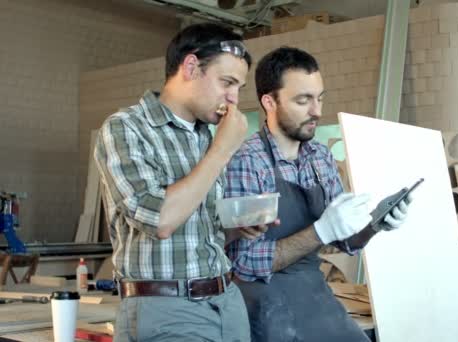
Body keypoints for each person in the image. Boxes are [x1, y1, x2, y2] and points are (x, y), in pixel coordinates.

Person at [224, 47, 411, 342]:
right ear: (269, 101)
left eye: (319, 98)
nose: (317, 111)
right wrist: (321, 230)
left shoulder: (319, 156)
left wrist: (376, 224)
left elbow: (344, 240)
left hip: (313, 291)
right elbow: (245, 263)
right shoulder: (247, 161)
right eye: (303, 100)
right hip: (263, 303)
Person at [95, 23, 263, 341]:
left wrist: (236, 229)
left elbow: (192, 238)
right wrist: (221, 151)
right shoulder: (127, 128)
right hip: (165, 308)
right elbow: (161, 221)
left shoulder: (204, 137)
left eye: (238, 87)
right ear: (190, 67)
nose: (234, 98)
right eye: (227, 82)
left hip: (227, 300)